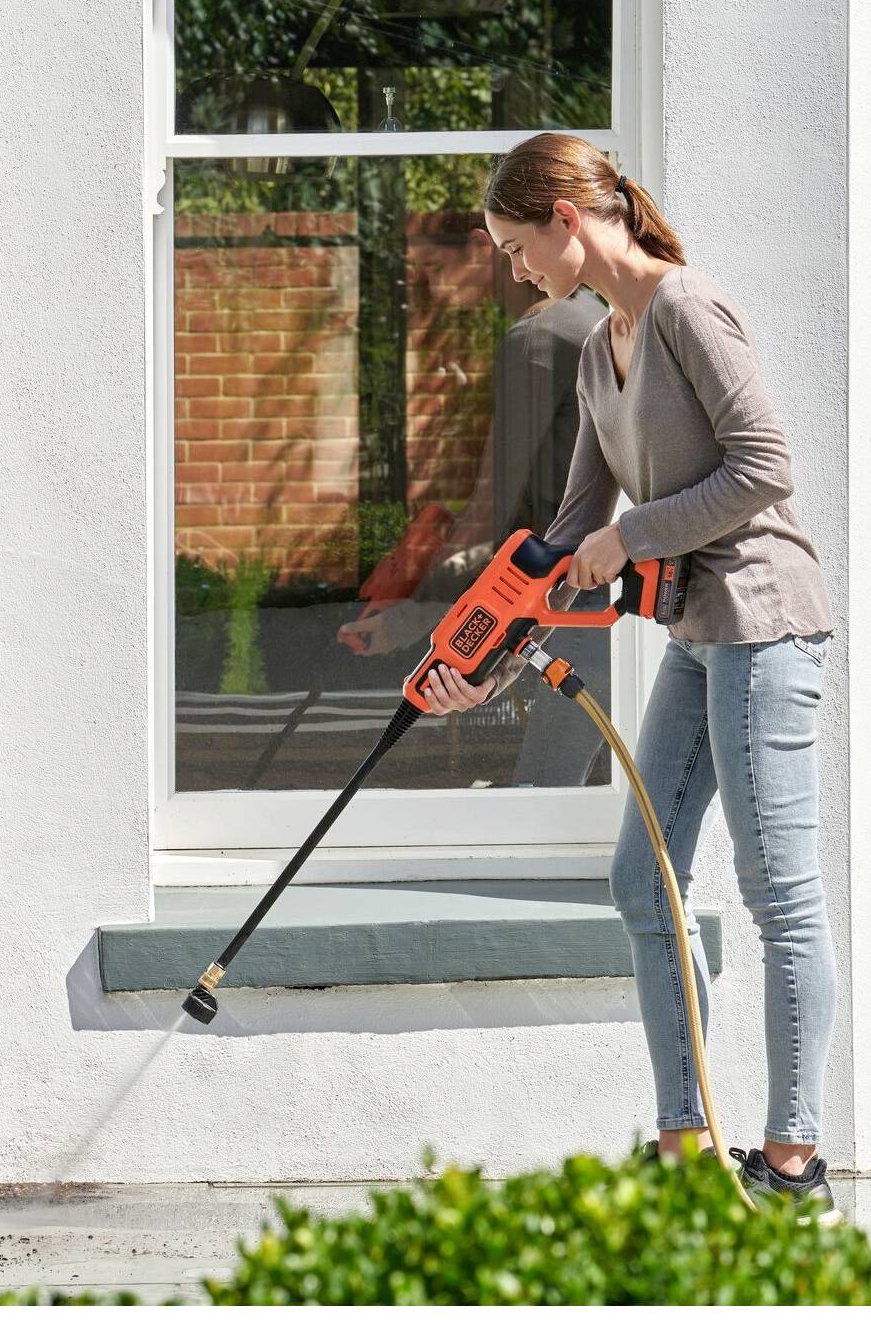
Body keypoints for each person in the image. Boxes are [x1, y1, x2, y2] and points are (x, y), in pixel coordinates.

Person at [416, 133, 841, 1221]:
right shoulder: (600, 343)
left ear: (568, 216)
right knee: (643, 878)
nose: (517, 272)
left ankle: (792, 1163)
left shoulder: (689, 309)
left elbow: (765, 467)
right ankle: (681, 1139)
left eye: (518, 248)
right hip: (699, 635)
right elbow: (563, 538)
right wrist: (477, 657)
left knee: (778, 893)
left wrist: (638, 531)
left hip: (763, 624)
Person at [339, 234, 612, 787]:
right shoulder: (598, 318)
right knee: (582, 800)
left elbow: (495, 509)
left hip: (564, 595)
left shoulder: (539, 339)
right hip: (609, 586)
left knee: (542, 792)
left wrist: (408, 620)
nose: (432, 290)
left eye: (436, 267)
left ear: (478, 246)